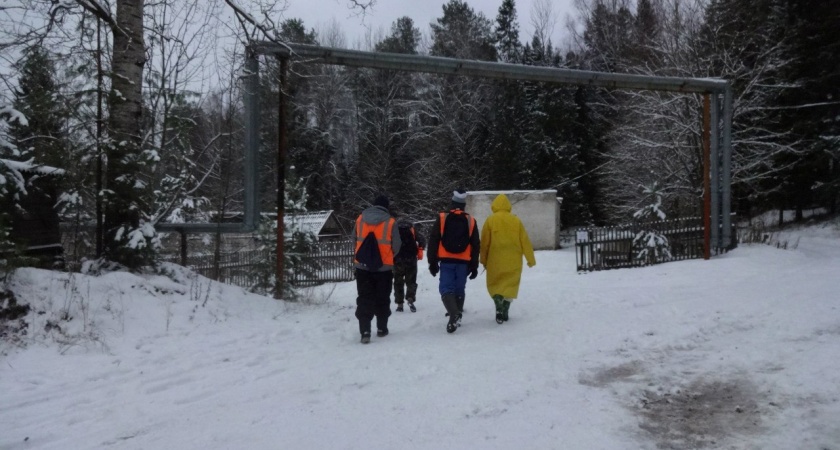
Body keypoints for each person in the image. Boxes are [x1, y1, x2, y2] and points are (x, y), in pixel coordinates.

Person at [427, 189, 480, 333]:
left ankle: (453, 312)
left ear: (452, 202)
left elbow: (433, 239)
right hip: (463, 261)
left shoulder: (442, 218)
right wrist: (474, 265)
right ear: (463, 205)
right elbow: (475, 244)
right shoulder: (471, 220)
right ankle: (458, 313)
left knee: (446, 288)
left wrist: (432, 261)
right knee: (459, 288)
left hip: (447, 260)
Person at [479, 193, 536, 324]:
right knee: (510, 285)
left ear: (495, 205)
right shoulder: (516, 220)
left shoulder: (490, 220)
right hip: (513, 260)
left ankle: (498, 301)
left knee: (495, 284)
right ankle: (505, 311)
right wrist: (530, 259)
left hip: (495, 259)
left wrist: (483, 259)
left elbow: (485, 243)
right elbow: (525, 241)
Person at [353, 194, 401, 344]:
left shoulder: (360, 219)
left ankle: (365, 331)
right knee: (382, 297)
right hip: (384, 269)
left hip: (362, 267)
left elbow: (353, 238)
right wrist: (389, 256)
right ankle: (381, 329)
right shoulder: (391, 222)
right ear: (386, 207)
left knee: (364, 297)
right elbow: (397, 245)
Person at [393, 218, 426, 313]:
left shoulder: (395, 230)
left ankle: (399, 304)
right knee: (411, 281)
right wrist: (420, 248)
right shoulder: (412, 229)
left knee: (398, 282)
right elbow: (422, 241)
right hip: (411, 259)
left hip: (397, 259)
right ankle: (410, 298)